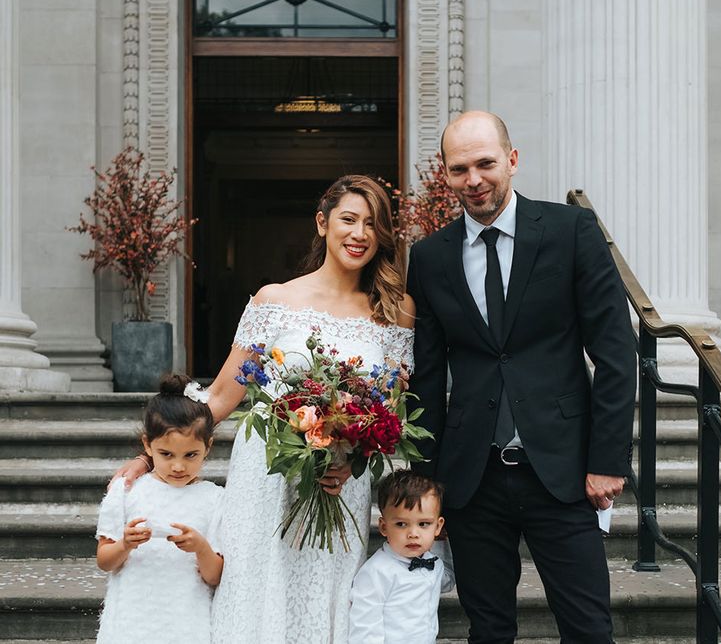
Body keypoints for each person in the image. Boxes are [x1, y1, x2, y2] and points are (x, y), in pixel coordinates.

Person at [114, 175, 415, 643]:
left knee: (324, 595)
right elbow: (217, 399)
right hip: (267, 479)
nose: (359, 234)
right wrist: (148, 455)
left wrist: (351, 461)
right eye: (348, 220)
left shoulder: (394, 311)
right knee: (255, 592)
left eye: (372, 224)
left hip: (340, 486)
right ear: (322, 223)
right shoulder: (274, 300)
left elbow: (388, 414)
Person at [407, 111, 636, 642]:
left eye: (485, 163)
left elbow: (616, 353)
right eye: (460, 168)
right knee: (487, 629)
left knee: (588, 628)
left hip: (563, 472)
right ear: (444, 174)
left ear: (512, 160)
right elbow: (426, 372)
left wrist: (606, 461)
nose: (474, 180)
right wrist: (426, 475)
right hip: (471, 477)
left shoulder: (571, 230)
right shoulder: (429, 257)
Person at [95, 374, 223, 644]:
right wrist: (125, 544)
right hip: (131, 618)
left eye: (191, 455)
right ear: (147, 446)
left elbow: (214, 576)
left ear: (207, 447)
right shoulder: (126, 491)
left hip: (186, 620)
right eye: (166, 454)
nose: (178, 467)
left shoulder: (214, 499)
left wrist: (201, 547)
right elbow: (105, 561)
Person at [349, 470, 454, 644]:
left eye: (424, 524)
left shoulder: (434, 563)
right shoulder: (377, 572)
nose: (413, 533)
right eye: (401, 524)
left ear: (438, 526)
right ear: (383, 527)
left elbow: (447, 581)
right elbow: (365, 625)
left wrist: (443, 543)